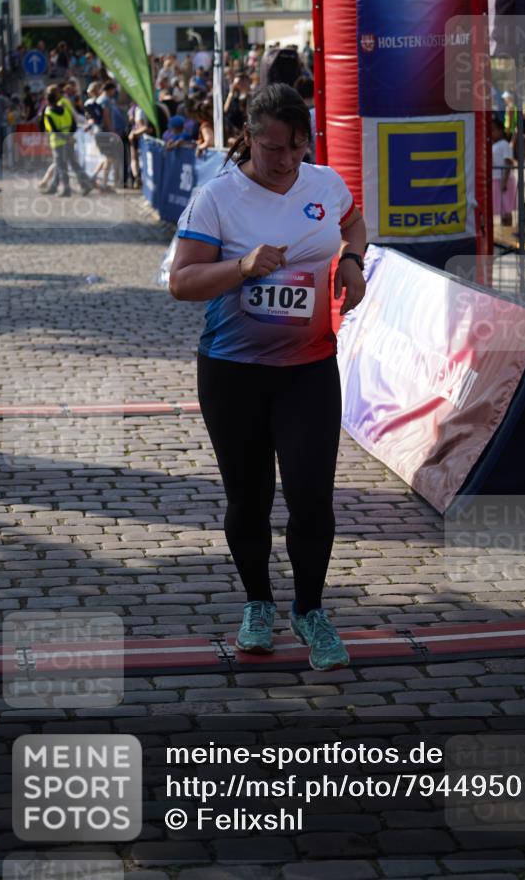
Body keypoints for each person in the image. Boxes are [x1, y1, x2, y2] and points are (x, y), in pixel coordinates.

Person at [169, 83, 367, 671]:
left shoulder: (325, 184)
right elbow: (181, 282)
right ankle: (259, 603)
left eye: (294, 147)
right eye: (271, 146)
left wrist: (353, 262)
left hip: (308, 370)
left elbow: (354, 225)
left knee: (312, 498)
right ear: (248, 137)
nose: (283, 160)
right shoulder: (218, 199)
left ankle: (310, 611)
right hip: (233, 373)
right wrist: (241, 266)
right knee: (249, 500)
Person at [42, 85, 93, 197]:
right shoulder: (63, 107)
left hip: (58, 141)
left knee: (62, 165)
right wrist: (70, 136)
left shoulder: (53, 109)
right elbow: (72, 123)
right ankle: (55, 187)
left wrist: (67, 137)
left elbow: (54, 128)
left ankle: (68, 188)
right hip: (68, 140)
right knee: (67, 164)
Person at [491, 117, 516, 226]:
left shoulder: (504, 144)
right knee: (501, 208)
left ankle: (508, 228)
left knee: (506, 209)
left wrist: (504, 181)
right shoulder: (494, 145)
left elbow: (508, 163)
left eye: (493, 130)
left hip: (504, 180)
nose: (491, 133)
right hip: (496, 179)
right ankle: (504, 227)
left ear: (500, 131)